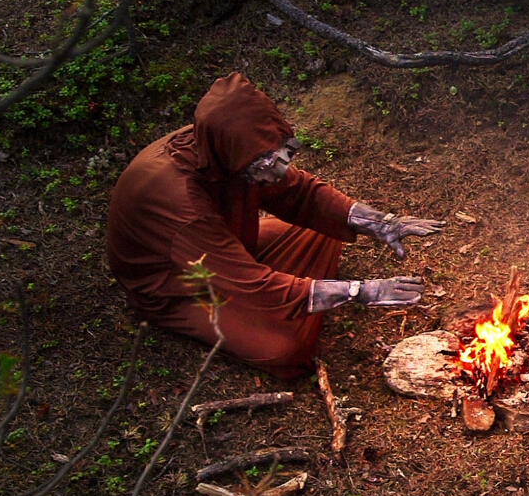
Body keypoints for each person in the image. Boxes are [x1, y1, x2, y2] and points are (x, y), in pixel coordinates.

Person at [106, 73, 444, 380]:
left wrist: (380, 223)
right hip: (181, 284)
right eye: (267, 165)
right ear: (239, 158)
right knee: (285, 348)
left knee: (323, 230)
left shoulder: (229, 147)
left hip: (225, 245)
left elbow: (300, 194)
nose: (279, 171)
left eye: (284, 154)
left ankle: (294, 289)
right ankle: (285, 302)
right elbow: (250, 285)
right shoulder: (184, 205)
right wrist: (359, 291)